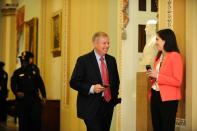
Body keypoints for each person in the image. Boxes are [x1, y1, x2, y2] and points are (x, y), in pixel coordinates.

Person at [70, 31, 121, 131]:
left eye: (108, 43)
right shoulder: (83, 60)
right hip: (90, 107)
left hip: (108, 106)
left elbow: (116, 81)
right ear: (95, 44)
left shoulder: (111, 60)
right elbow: (74, 82)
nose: (107, 46)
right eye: (104, 43)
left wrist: (113, 99)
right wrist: (92, 88)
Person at [146, 29, 183, 131]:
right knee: (156, 126)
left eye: (157, 39)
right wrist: (152, 76)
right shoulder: (159, 56)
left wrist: (157, 76)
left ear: (165, 40)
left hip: (168, 100)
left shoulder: (175, 56)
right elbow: (159, 78)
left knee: (166, 127)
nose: (156, 42)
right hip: (155, 95)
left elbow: (177, 81)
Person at [11, 51, 46, 131]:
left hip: (34, 100)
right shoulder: (17, 72)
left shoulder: (35, 71)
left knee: (36, 123)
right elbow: (13, 85)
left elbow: (40, 84)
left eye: (25, 61)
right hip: (22, 101)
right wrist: (16, 92)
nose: (23, 63)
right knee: (23, 124)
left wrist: (44, 96)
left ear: (29, 61)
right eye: (22, 61)